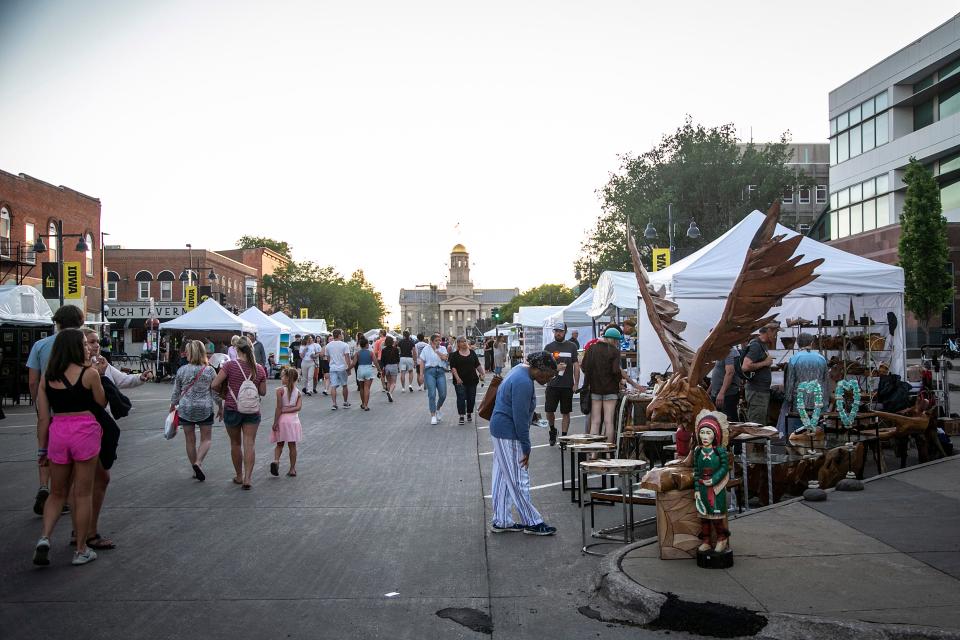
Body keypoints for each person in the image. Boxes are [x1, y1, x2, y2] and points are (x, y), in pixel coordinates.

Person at [33, 328, 107, 566]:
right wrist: (100, 374)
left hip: (58, 432)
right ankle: (81, 549)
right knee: (82, 493)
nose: (88, 347)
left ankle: (44, 537)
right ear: (77, 347)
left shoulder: (48, 377)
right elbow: (101, 402)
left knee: (57, 493)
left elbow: (43, 418)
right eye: (85, 343)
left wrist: (42, 450)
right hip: (84, 430)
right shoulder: (90, 374)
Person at [80, 327, 150, 549]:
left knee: (84, 483)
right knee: (94, 481)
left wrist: (141, 376)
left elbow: (122, 380)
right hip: (91, 428)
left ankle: (79, 531)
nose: (95, 346)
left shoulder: (101, 363)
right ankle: (86, 533)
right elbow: (98, 400)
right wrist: (99, 376)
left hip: (90, 428)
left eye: (97, 341)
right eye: (90, 342)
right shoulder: (87, 370)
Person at [488, 351, 558, 536]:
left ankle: (501, 520)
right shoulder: (524, 382)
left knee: (503, 478)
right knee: (519, 479)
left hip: (500, 429)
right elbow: (519, 418)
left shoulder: (520, 370)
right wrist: (527, 447)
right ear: (538, 370)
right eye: (548, 375)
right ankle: (532, 522)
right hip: (509, 432)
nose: (548, 379)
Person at [27, 304, 85, 517]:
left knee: (44, 448)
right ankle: (64, 497)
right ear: (79, 323)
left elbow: (33, 380)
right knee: (67, 456)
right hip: (71, 409)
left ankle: (44, 486)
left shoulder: (40, 345)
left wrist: (38, 402)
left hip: (47, 407)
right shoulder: (81, 345)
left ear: (57, 322)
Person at [212, 337, 267, 489]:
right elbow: (263, 392)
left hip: (232, 408)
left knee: (235, 444)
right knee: (249, 443)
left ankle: (239, 475)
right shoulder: (259, 368)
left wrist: (225, 394)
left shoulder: (229, 366)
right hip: (252, 410)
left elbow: (214, 384)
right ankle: (248, 478)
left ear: (236, 349)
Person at [581, 327, 643, 444]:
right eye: (617, 341)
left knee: (595, 421)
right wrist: (620, 382)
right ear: (613, 340)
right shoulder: (614, 351)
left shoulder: (591, 349)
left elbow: (584, 366)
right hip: (610, 391)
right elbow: (616, 371)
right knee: (609, 421)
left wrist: (593, 378)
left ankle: (593, 453)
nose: (617, 343)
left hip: (595, 390)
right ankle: (608, 451)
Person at [171, 340, 222, 482]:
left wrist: (172, 406)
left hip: (186, 407)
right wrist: (220, 406)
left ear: (190, 353)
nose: (185, 353)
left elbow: (176, 392)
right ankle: (198, 462)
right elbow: (215, 391)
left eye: (187, 351)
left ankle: (194, 468)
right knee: (206, 439)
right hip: (204, 407)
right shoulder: (210, 370)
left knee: (190, 440)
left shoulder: (182, 370)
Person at [783, 332, 829, 436]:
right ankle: (817, 449)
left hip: (800, 401)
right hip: (818, 400)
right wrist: (826, 401)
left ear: (798, 344)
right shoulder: (821, 358)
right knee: (817, 429)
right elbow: (825, 381)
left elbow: (790, 381)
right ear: (812, 343)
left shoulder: (794, 359)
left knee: (800, 430)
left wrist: (788, 399)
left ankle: (801, 450)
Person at [543, 323, 580, 446]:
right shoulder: (549, 347)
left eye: (560, 331)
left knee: (566, 412)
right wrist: (555, 369)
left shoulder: (572, 346)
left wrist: (576, 383)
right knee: (549, 411)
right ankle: (552, 430)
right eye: (556, 331)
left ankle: (564, 437)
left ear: (565, 332)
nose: (558, 333)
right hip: (552, 385)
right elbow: (543, 367)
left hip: (567, 385)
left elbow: (576, 365)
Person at [741, 321, 779, 425]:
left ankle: (759, 441)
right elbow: (745, 366)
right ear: (768, 331)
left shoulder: (763, 345)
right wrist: (765, 363)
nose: (775, 336)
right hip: (756, 392)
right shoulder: (756, 346)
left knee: (760, 424)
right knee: (756, 426)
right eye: (775, 332)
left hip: (761, 391)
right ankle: (755, 442)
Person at [270, 367, 303, 477]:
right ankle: (292, 469)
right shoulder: (298, 393)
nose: (281, 377)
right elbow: (298, 408)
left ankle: (276, 461)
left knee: (279, 444)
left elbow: (278, 408)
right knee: (292, 446)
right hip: (294, 421)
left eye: (283, 376)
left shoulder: (279, 391)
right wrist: (289, 409)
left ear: (288, 378)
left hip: (282, 420)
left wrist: (275, 422)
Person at [449, 336, 484, 425]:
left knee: (471, 398)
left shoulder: (472, 353)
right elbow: (453, 368)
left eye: (465, 341)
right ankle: (461, 415)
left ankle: (469, 413)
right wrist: (457, 378)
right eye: (461, 341)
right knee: (461, 397)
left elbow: (477, 365)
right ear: (458, 344)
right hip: (460, 381)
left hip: (472, 379)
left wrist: (482, 373)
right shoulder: (454, 355)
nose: (464, 343)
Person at [419, 333, 449, 425]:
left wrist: (437, 351)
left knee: (443, 394)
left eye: (439, 340)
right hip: (429, 372)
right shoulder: (426, 349)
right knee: (431, 394)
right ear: (431, 341)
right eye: (436, 340)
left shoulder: (442, 348)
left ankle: (438, 408)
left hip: (440, 371)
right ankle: (433, 415)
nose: (438, 342)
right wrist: (421, 375)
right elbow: (422, 362)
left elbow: (445, 358)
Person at [709, 345, 741, 422]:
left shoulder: (729, 352)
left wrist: (722, 393)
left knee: (729, 423)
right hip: (717, 394)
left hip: (727, 395)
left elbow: (730, 372)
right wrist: (708, 391)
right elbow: (718, 374)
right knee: (717, 423)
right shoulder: (721, 352)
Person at [324, 329, 353, 410]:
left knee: (333, 386)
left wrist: (332, 364)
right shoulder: (344, 345)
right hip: (342, 367)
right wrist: (349, 368)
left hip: (333, 368)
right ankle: (345, 402)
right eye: (342, 334)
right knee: (344, 385)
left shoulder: (328, 345)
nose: (343, 335)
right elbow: (347, 357)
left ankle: (334, 404)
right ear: (339, 335)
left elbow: (328, 358)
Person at [355, 336, 376, 410]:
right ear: (367, 344)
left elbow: (354, 363)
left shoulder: (357, 353)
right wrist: (379, 370)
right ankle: (366, 406)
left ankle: (363, 403)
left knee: (361, 388)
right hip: (368, 369)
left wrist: (348, 369)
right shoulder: (371, 353)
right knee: (367, 388)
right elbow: (375, 362)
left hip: (360, 369)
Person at [380, 335, 401, 402]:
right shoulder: (396, 349)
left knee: (389, 381)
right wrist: (398, 367)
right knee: (394, 383)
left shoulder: (383, 350)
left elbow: (382, 360)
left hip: (387, 367)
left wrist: (382, 368)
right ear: (392, 342)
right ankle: (390, 393)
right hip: (394, 366)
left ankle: (389, 394)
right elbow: (398, 359)